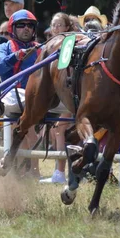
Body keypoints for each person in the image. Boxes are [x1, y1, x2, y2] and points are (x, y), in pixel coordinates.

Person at [0, 9, 42, 179]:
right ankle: (31, 172)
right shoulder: (3, 48)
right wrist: (15, 57)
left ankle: (31, 170)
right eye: (21, 25)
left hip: (40, 97)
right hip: (13, 97)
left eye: (30, 25)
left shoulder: (42, 49)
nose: (26, 28)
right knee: (28, 126)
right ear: (13, 29)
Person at [40, 12, 75, 184]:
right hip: (59, 96)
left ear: (67, 27)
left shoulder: (70, 45)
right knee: (56, 131)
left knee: (60, 130)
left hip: (69, 95)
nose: (55, 28)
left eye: (59, 25)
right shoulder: (49, 46)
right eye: (54, 25)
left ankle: (61, 173)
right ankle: (59, 171)